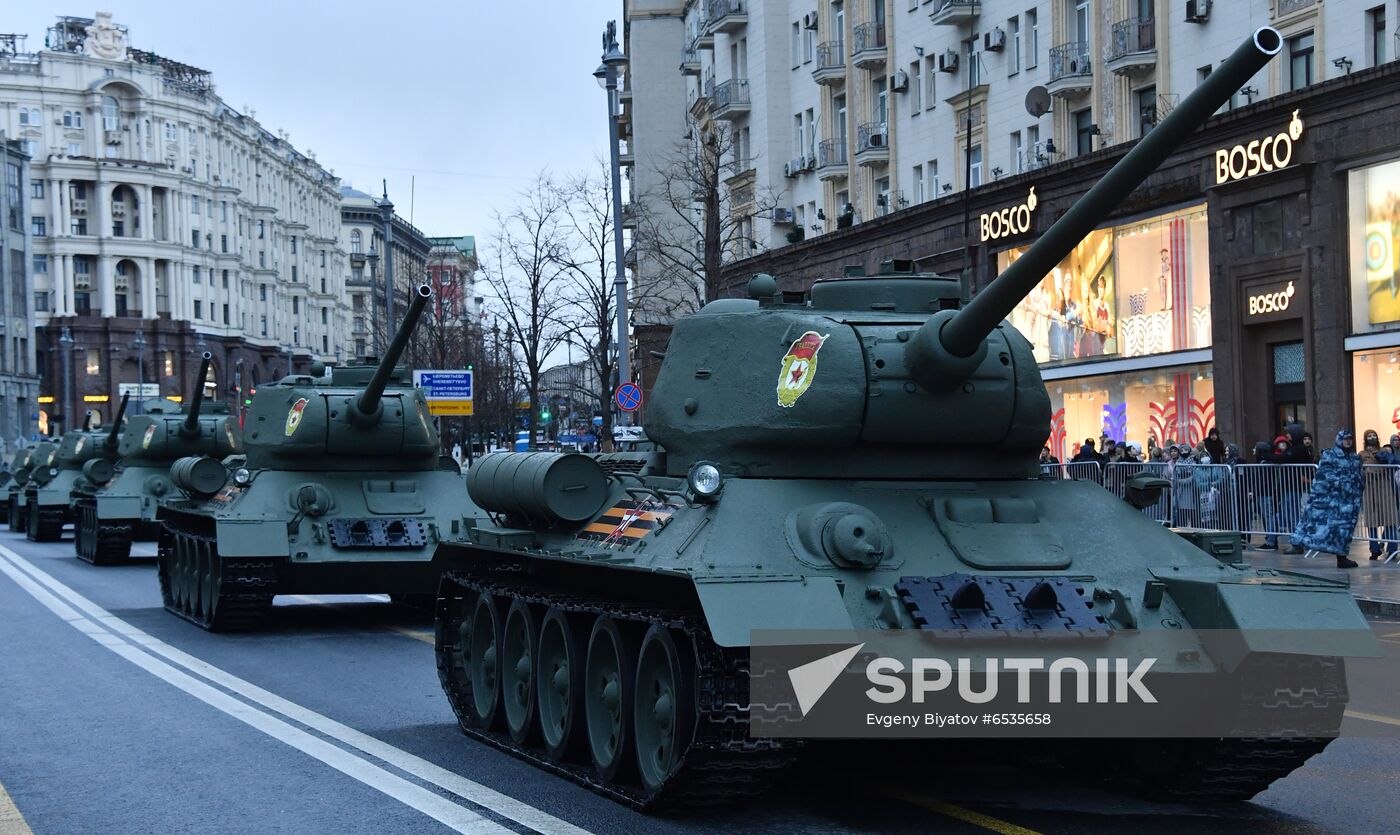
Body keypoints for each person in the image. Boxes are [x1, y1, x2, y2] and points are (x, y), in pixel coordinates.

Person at [1293, 430, 1365, 568]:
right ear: (1339, 440)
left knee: (1344, 531)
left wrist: (1358, 488)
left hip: (1349, 502)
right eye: (1345, 439)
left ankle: (1342, 557)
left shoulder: (1355, 458)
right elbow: (1324, 475)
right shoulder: (1330, 455)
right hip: (1333, 500)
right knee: (1321, 526)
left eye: (1350, 439)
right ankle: (1298, 544)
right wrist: (1342, 485)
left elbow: (1359, 476)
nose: (1348, 441)